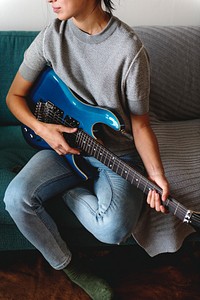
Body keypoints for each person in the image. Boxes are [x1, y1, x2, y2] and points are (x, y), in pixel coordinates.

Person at [4, 0, 170, 299]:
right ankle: (69, 266)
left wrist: (157, 176)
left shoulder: (129, 50)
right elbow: (14, 96)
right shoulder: (51, 37)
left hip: (115, 153)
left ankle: (66, 192)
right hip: (63, 147)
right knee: (16, 198)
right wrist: (43, 129)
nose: (50, 0)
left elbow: (141, 125)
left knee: (113, 230)